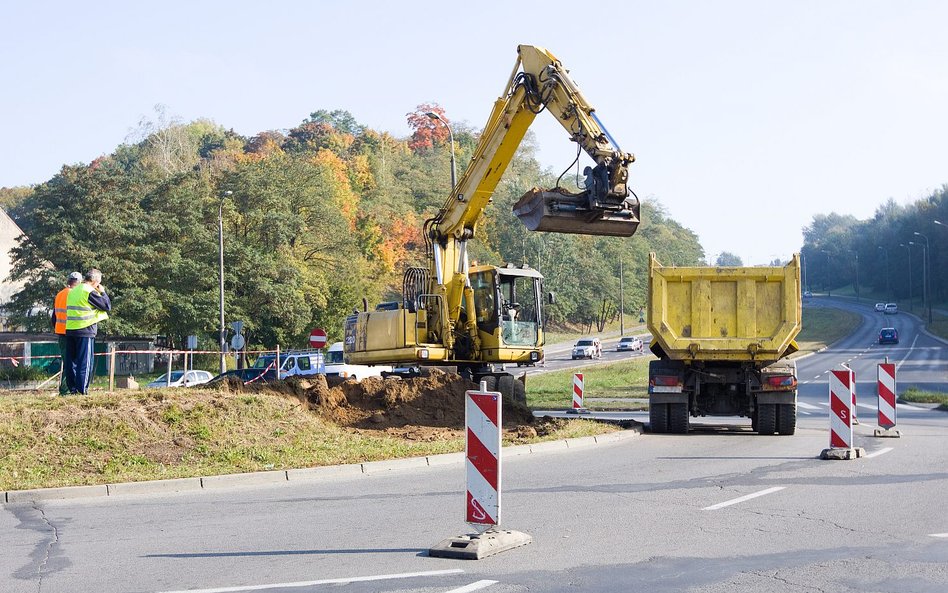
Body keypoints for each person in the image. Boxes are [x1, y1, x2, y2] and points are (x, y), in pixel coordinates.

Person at [65, 269, 111, 395]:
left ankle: (73, 390)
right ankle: (82, 390)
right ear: (96, 281)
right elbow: (106, 306)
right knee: (85, 362)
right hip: (85, 330)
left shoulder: (74, 291)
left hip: (70, 329)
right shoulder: (88, 291)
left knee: (71, 362)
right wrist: (102, 292)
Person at [53, 272, 82, 396]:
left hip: (61, 332)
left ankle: (67, 389)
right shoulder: (74, 294)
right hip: (71, 332)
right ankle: (66, 390)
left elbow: (53, 317)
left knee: (67, 362)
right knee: (72, 363)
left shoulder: (59, 294)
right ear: (79, 282)